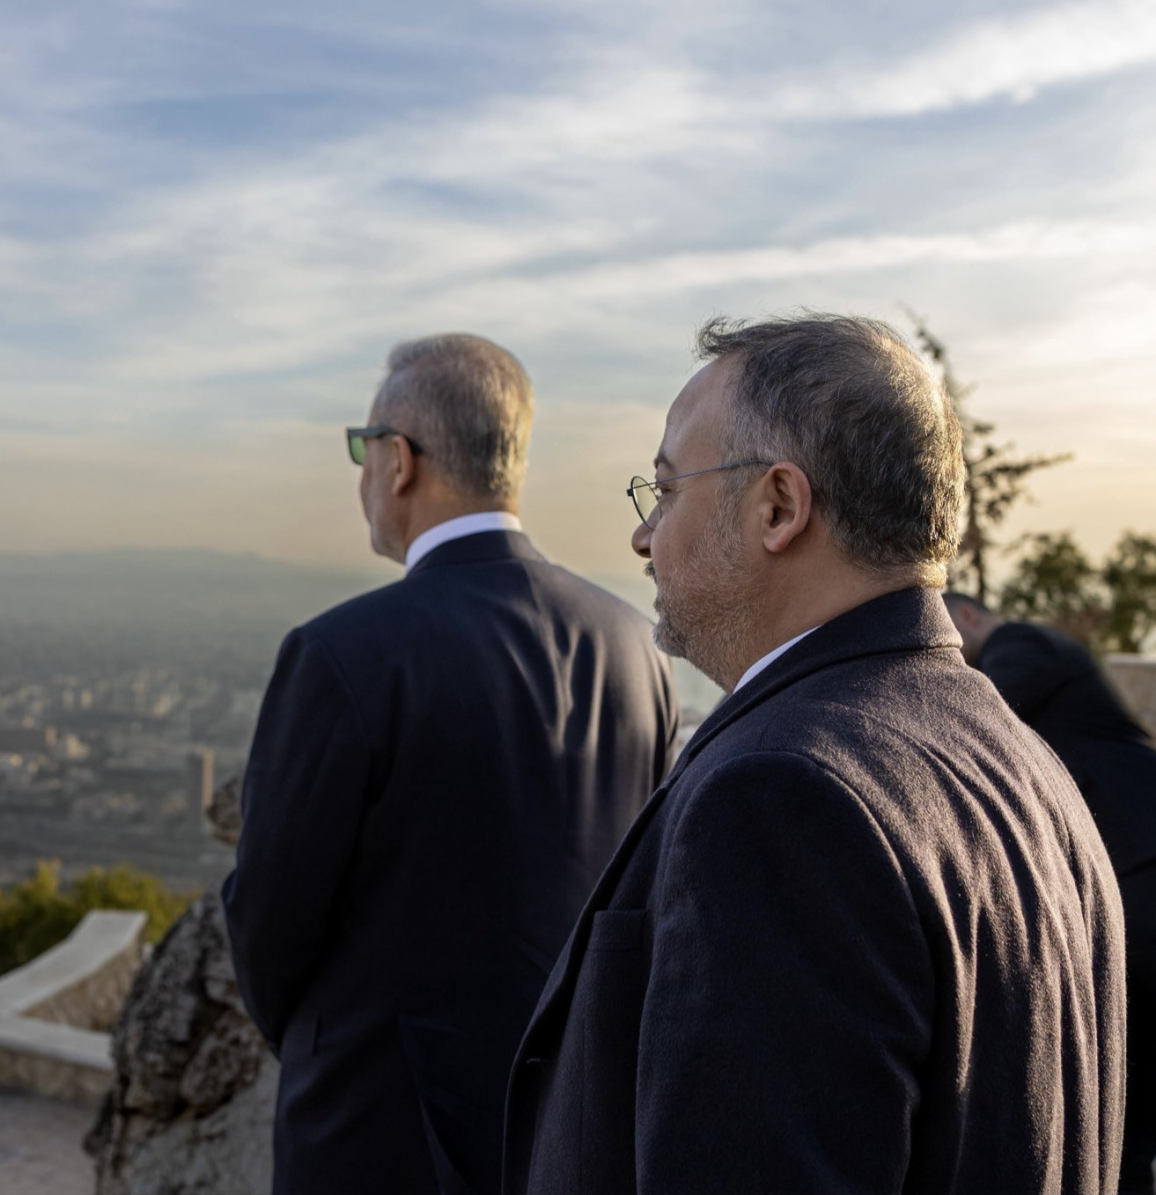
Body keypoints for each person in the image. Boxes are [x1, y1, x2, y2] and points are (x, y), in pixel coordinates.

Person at [502, 315, 1126, 1195]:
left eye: (667, 489)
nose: (644, 538)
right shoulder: (1034, 768)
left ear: (779, 507)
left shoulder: (781, 797)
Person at [222, 333, 678, 1195]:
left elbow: (269, 924)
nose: (361, 472)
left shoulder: (342, 656)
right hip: (573, 1131)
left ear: (399, 461)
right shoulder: (634, 647)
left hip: (377, 1134)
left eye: (363, 447)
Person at [945, 593, 1156, 1193]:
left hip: (1143, 848)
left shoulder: (1023, 642)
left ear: (968, 617)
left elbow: (978, 714)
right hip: (1126, 868)